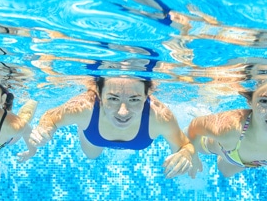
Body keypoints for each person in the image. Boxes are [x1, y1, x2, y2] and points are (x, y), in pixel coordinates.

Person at [29, 76, 199, 178]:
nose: (123, 112)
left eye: (134, 99)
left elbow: (185, 145)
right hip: (93, 137)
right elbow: (51, 117)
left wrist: (186, 154)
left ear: (147, 95)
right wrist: (44, 129)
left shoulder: (160, 116)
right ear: (99, 94)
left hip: (133, 137)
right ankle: (83, 127)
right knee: (92, 155)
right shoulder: (83, 108)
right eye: (113, 99)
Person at [186, 80, 267, 178]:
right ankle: (203, 112)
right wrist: (193, 156)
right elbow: (194, 126)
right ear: (250, 102)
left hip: (238, 161)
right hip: (220, 147)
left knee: (225, 173)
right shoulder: (230, 129)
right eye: (265, 101)